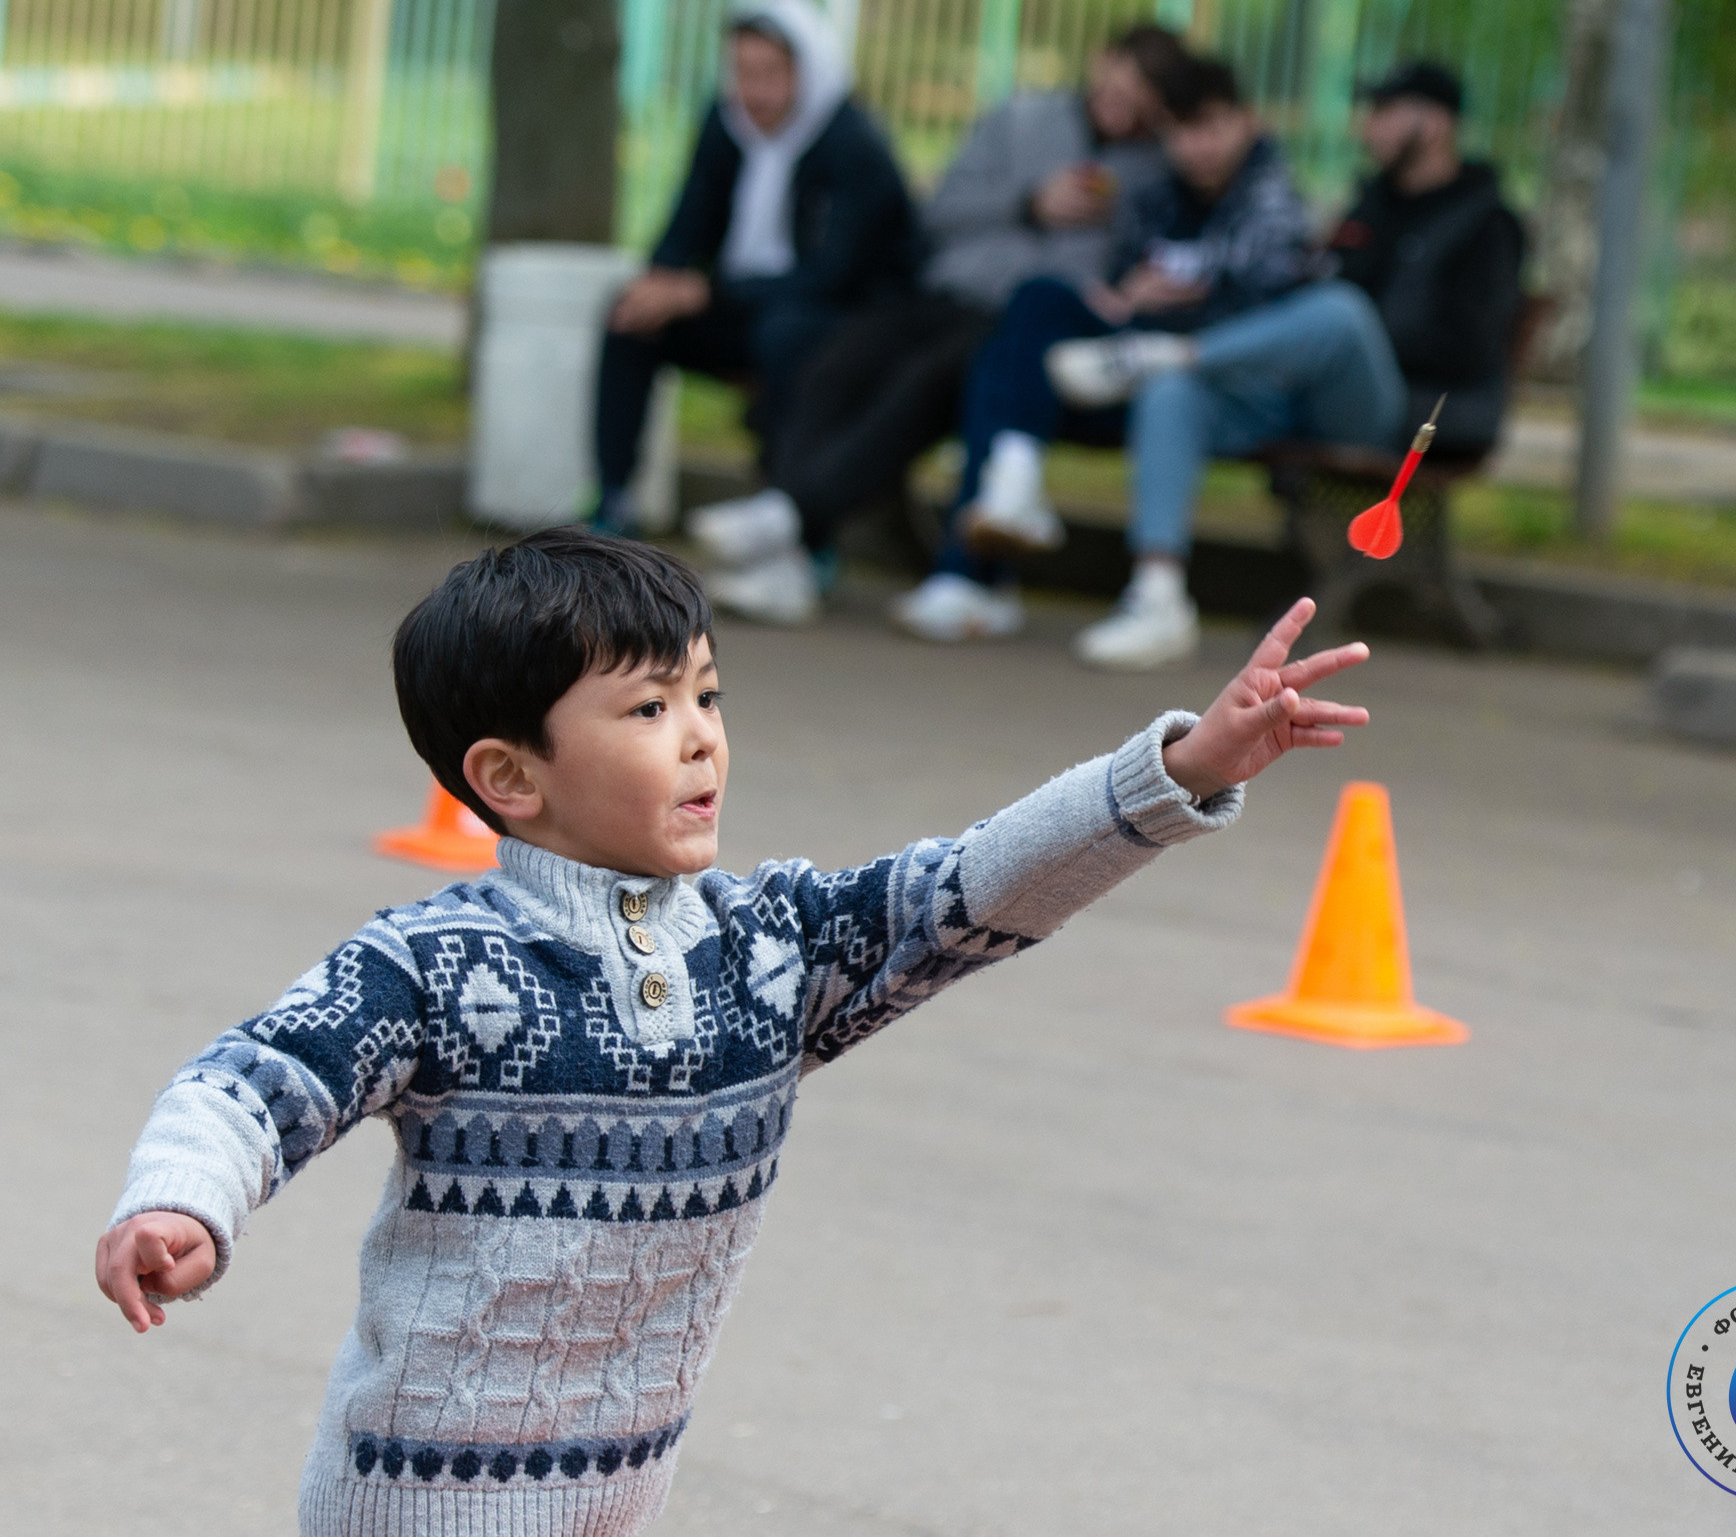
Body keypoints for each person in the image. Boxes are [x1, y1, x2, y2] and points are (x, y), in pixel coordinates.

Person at [94, 528, 1370, 1537]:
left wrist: (1188, 766)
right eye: (646, 712)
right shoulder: (440, 961)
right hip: (426, 1501)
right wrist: (182, 1205)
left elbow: (972, 886)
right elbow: (251, 1084)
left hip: (620, 1489)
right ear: (510, 777)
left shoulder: (766, 948)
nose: (700, 736)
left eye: (705, 694)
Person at [688, 24, 1187, 626]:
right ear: (1101, 61)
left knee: (924, 386)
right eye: (1118, 85)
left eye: (1142, 99)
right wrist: (1028, 203)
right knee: (835, 361)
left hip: (1014, 328)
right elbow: (940, 213)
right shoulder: (1021, 119)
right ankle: (795, 546)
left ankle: (790, 519)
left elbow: (1157, 266)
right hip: (940, 294)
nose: (1122, 107)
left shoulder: (1160, 169)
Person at [1043, 60, 1526, 669]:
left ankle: (1163, 351)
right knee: (1176, 391)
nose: (1367, 128)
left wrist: (1353, 332)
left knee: (1344, 314)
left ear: (1432, 123)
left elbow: (1469, 347)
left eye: (1382, 112)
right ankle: (1157, 595)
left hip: (1397, 412)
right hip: (1306, 390)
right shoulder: (1369, 206)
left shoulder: (1487, 222)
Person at [889, 55, 1313, 644]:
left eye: (1211, 126)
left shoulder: (1273, 204)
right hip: (1123, 363)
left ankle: (979, 568)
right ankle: (1007, 497)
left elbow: (1275, 320)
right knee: (1032, 307)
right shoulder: (1158, 195)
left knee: (1006, 363)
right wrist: (1130, 296)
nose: (1197, 147)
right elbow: (1118, 282)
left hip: (1195, 384)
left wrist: (1174, 307)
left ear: (1247, 121)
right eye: (1182, 131)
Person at [590, 0, 921, 533]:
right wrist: (660, 277)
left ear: (808, 71)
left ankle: (798, 524)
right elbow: (689, 216)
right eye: (743, 72)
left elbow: (831, 276)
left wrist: (703, 293)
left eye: (771, 73)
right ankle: (613, 500)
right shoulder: (725, 123)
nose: (754, 91)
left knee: (787, 336)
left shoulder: (853, 145)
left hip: (846, 318)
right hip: (749, 303)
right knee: (630, 315)